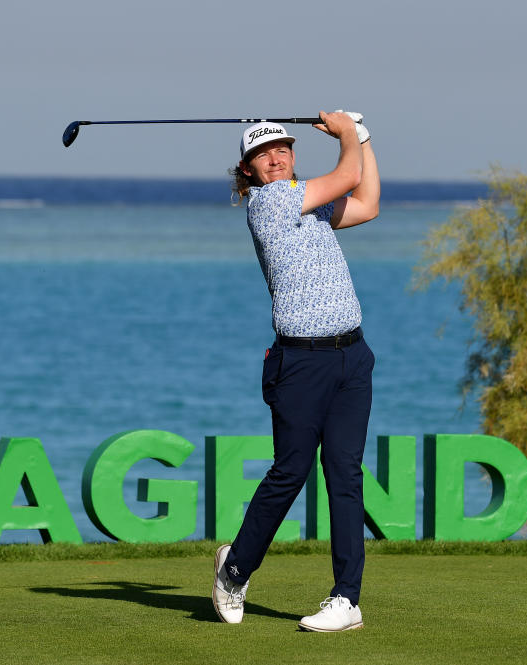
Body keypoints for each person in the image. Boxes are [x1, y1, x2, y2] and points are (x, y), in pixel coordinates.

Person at [212, 111, 380, 632]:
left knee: (345, 478)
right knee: (290, 473)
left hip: (352, 356)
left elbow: (368, 203)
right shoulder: (270, 202)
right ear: (248, 170)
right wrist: (348, 135)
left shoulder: (308, 206)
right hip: (300, 362)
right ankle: (234, 570)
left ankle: (346, 599)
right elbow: (348, 174)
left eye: (282, 147)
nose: (276, 156)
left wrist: (364, 137)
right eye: (264, 154)